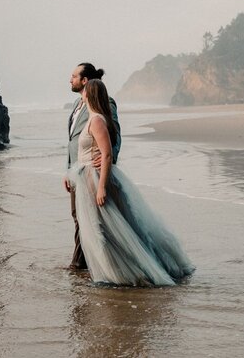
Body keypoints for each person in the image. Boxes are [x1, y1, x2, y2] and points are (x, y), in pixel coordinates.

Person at [65, 79, 195, 286]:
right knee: (103, 229)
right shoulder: (93, 118)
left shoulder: (97, 120)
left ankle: (128, 272)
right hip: (87, 178)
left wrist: (101, 188)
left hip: (97, 179)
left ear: (89, 95)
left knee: (110, 229)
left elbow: (107, 155)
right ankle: (112, 270)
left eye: (84, 92)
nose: (81, 94)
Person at [65, 63, 120, 270]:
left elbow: (114, 132)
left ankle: (79, 263)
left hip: (92, 171)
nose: (70, 80)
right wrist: (67, 169)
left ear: (84, 80)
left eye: (73, 76)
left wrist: (109, 157)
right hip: (76, 169)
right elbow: (71, 141)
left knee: (88, 218)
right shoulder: (75, 106)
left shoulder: (104, 102)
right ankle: (84, 259)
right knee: (77, 215)